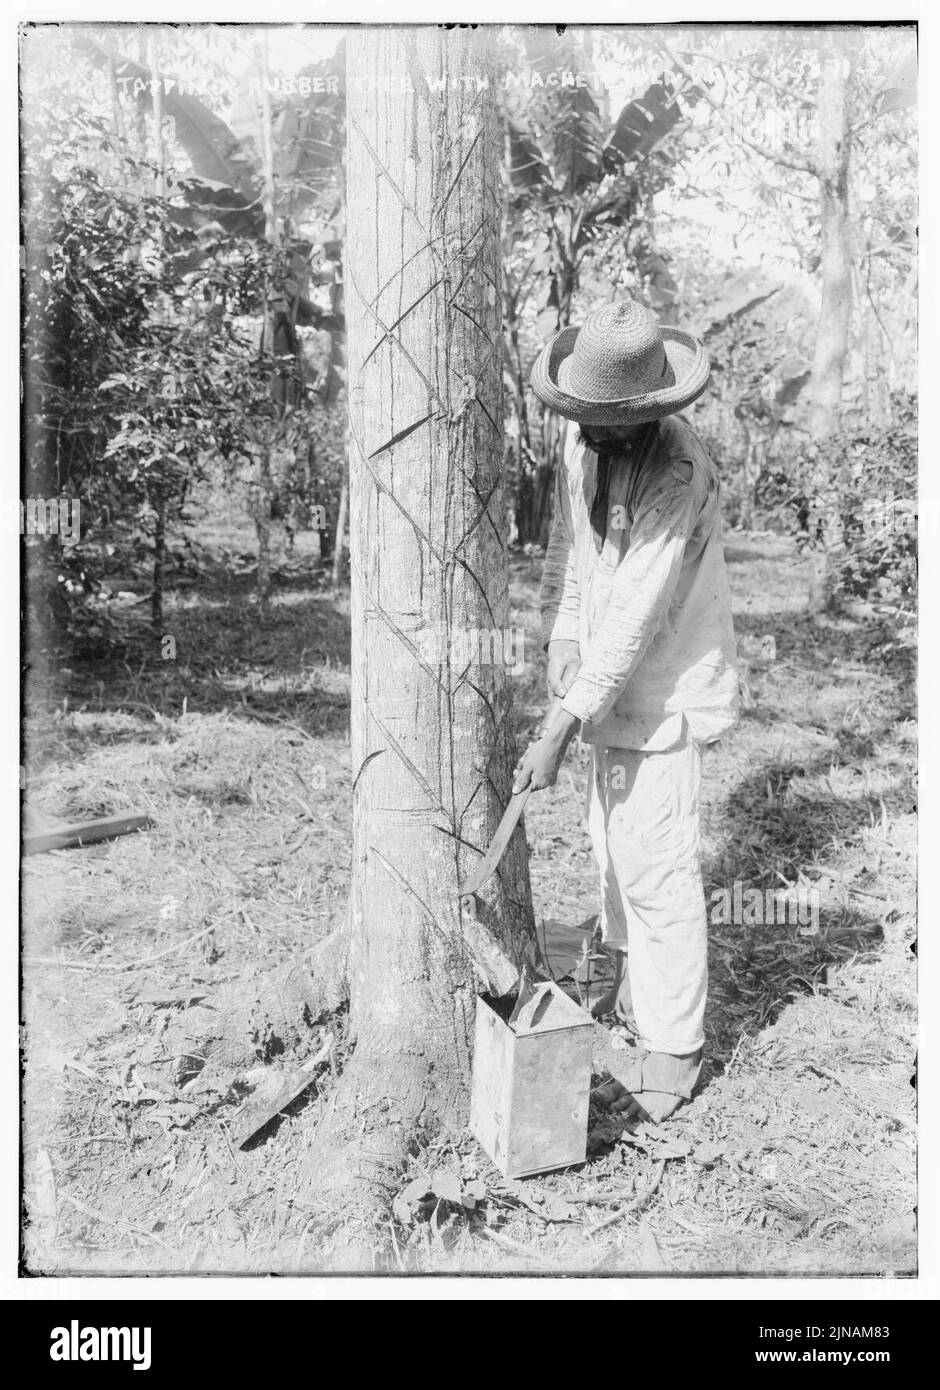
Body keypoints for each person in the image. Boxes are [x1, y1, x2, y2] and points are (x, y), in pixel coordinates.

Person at [512, 297, 739, 1123]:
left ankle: (674, 1050)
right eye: (585, 419)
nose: (593, 432)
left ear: (650, 411)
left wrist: (557, 728)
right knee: (612, 851)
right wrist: (563, 634)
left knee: (659, 870)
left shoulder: (678, 472)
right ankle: (624, 999)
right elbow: (579, 554)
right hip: (605, 682)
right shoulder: (582, 439)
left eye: (611, 423)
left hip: (666, 679)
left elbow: (639, 614)